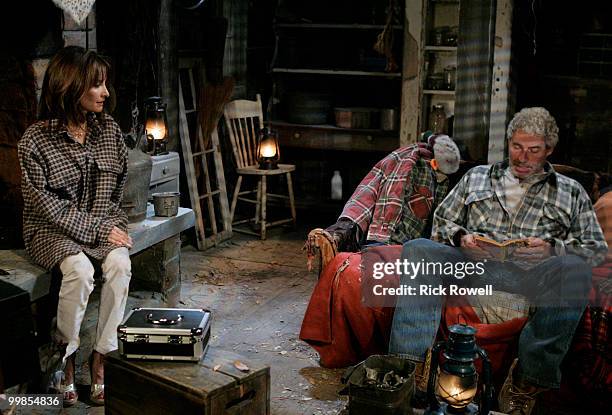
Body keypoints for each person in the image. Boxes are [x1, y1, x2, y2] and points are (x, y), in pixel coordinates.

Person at [389, 107, 607, 414]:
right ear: (508, 143)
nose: (523, 157)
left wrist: (552, 249)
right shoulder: (476, 177)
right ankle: (407, 371)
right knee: (419, 249)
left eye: (533, 150)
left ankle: (526, 384)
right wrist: (461, 239)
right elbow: (440, 225)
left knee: (574, 270)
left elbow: (595, 249)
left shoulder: (571, 192)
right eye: (517, 146)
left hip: (531, 276)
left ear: (549, 150)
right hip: (472, 266)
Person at [18, 46, 132, 406]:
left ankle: (101, 358)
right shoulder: (35, 141)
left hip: (100, 219)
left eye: (105, 85)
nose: (105, 93)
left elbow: (116, 190)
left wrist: (107, 227)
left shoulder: (109, 130)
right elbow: (49, 207)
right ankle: (64, 362)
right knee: (80, 270)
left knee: (120, 264)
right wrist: (98, 231)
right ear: (71, 86)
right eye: (97, 85)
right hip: (48, 230)